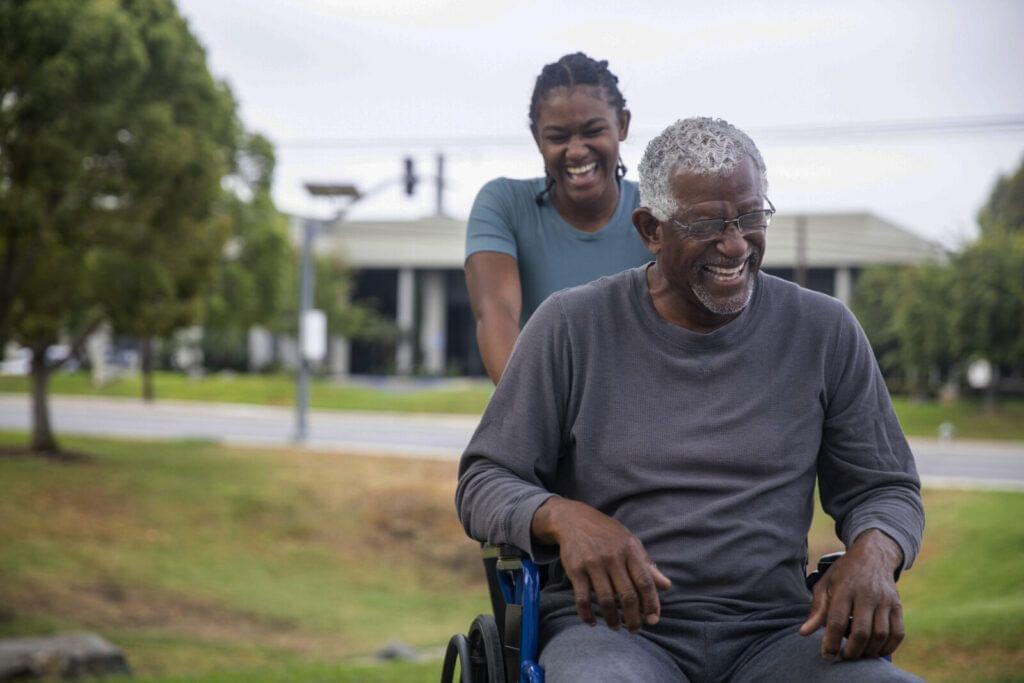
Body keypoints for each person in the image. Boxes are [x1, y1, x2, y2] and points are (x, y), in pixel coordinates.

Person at [456, 117, 924, 681]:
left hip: (778, 632)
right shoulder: (570, 325)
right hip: (612, 631)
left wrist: (874, 553)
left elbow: (886, 487)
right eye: (706, 223)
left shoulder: (823, 329)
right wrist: (564, 517)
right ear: (651, 229)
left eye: (750, 217)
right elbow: (483, 481)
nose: (734, 244)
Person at [464, 52, 652, 384]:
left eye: (593, 130)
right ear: (537, 138)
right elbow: (496, 313)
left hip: (641, 415)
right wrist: (535, 417)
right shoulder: (503, 205)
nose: (576, 150)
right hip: (542, 414)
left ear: (622, 125)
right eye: (558, 137)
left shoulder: (656, 210)